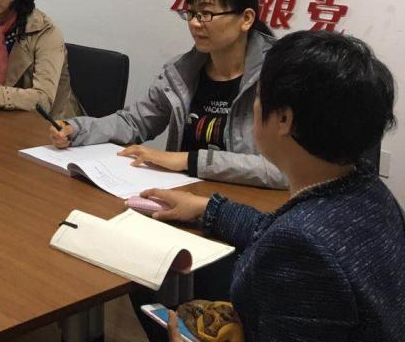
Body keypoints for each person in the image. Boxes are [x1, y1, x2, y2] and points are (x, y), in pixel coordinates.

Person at [149, 31, 404, 342]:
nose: (254, 107)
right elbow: (275, 230)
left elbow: (295, 241)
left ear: (283, 118)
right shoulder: (368, 190)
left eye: (257, 97)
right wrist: (207, 208)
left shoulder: (301, 246)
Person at [49, 0, 285, 189]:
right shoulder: (182, 71)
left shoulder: (281, 76)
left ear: (246, 18)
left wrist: (188, 160)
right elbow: (135, 122)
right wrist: (77, 129)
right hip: (181, 194)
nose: (195, 23)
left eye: (206, 14)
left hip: (245, 203)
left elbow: (283, 169)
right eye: (191, 13)